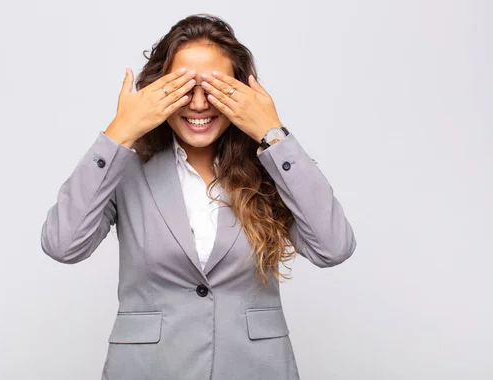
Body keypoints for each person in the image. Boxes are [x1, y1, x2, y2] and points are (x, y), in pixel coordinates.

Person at [40, 13, 356, 380]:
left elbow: (333, 248)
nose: (200, 104)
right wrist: (118, 133)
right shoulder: (123, 165)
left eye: (216, 88)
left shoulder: (271, 166)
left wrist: (274, 135)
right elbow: (63, 245)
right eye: (184, 87)